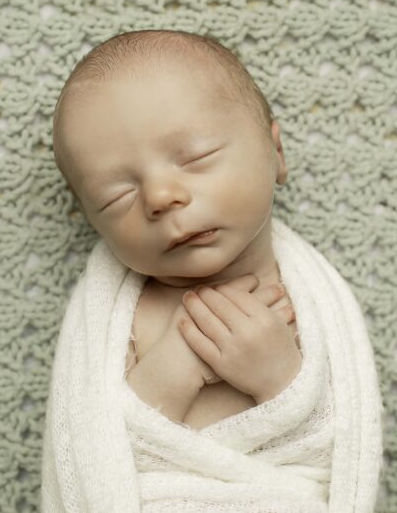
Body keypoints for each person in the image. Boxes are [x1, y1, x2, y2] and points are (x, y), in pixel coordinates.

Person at [51, 28, 302, 430]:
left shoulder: (308, 304)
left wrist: (280, 376)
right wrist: (182, 361)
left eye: (196, 157)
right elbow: (97, 450)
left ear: (276, 153)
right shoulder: (126, 321)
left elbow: (338, 443)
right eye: (117, 196)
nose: (160, 196)